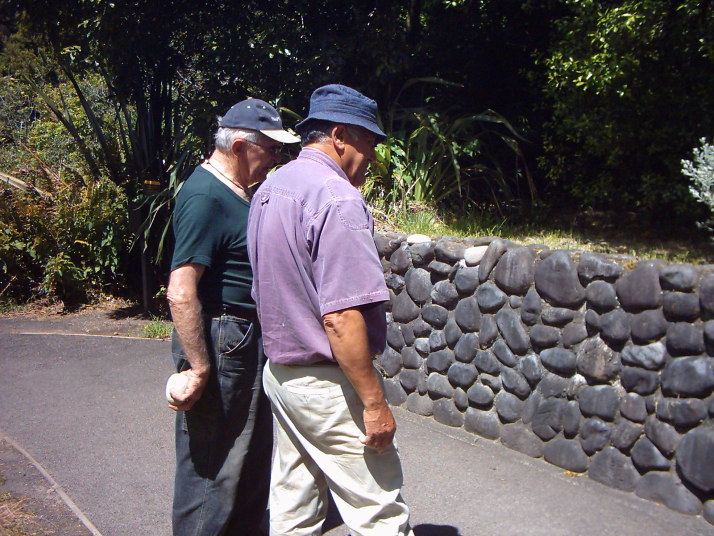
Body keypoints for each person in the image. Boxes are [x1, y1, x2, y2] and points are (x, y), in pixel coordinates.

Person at [247, 84, 411, 536]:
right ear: (339, 135)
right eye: (368, 141)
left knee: (294, 506)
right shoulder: (337, 197)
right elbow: (341, 316)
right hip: (327, 388)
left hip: (282, 375)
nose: (372, 155)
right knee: (378, 513)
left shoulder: (270, 188)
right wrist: (374, 403)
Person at [166, 98, 299, 536]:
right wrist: (199, 367)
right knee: (214, 467)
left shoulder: (241, 190)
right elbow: (181, 289)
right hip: (224, 337)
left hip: (246, 337)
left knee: (251, 459)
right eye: (271, 148)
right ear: (239, 146)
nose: (276, 158)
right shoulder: (205, 195)